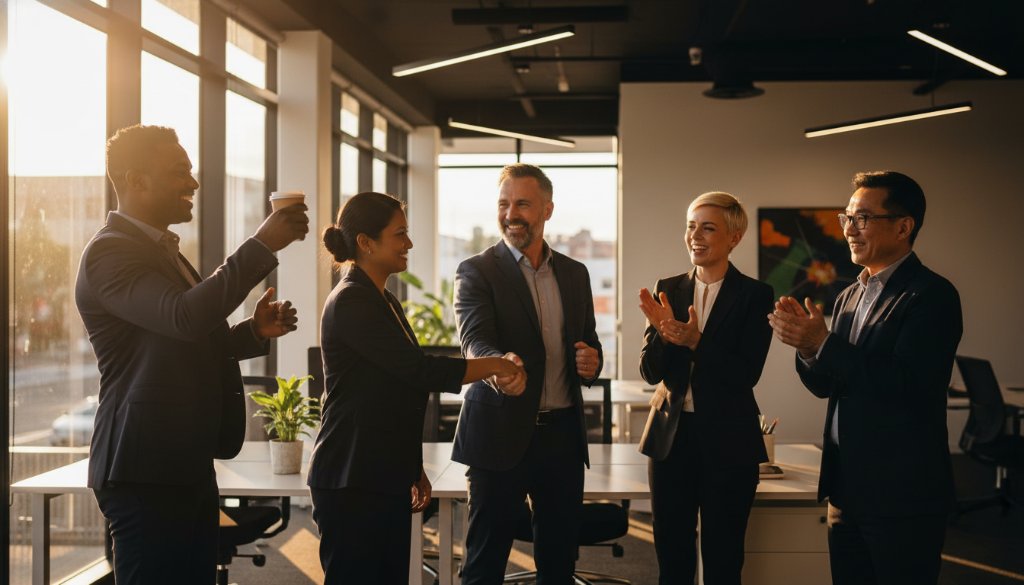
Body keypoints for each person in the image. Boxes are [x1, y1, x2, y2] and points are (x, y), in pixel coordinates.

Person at [75, 124, 309, 585]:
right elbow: (183, 316)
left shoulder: (161, 251)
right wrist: (262, 245)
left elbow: (187, 338)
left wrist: (251, 332)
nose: (193, 183)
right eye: (179, 172)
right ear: (136, 180)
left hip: (183, 463)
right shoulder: (110, 254)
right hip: (143, 470)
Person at [309, 191, 526, 585]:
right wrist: (496, 364)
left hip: (380, 472)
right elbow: (418, 371)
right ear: (365, 242)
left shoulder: (384, 299)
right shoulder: (351, 300)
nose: (408, 243)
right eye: (400, 234)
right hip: (351, 475)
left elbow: (398, 392)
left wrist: (412, 467)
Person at [768, 171, 962, 585]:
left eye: (862, 219)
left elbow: (908, 385)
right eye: (847, 218)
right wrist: (807, 348)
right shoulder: (849, 295)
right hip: (847, 488)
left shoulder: (931, 295)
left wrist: (824, 342)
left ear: (903, 226)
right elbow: (827, 385)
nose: (850, 230)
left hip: (902, 493)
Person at [452, 163, 603, 584]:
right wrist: (499, 367)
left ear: (547, 209)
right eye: (503, 203)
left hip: (561, 438)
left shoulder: (575, 274)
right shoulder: (476, 270)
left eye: (522, 203)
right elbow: (474, 339)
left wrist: (593, 360)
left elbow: (589, 342)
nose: (510, 213)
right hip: (498, 431)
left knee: (558, 567)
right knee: (484, 564)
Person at [636, 191, 773, 585]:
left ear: (734, 238)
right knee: (672, 556)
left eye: (708, 228)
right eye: (691, 226)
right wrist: (664, 334)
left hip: (729, 440)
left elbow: (746, 374)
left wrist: (696, 342)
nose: (695, 235)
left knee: (724, 557)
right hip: (670, 439)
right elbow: (648, 372)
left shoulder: (755, 295)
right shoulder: (668, 287)